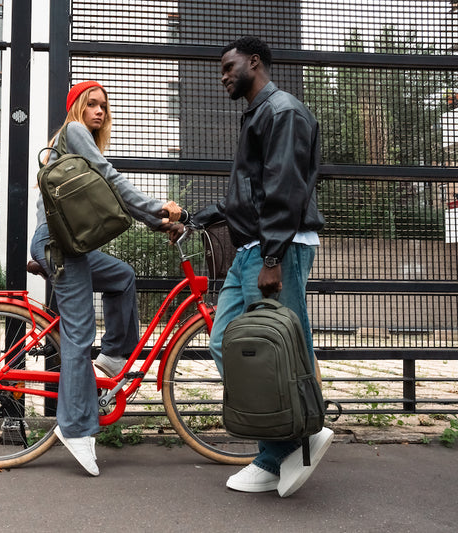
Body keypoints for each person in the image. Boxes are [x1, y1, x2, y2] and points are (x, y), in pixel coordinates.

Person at [189, 37, 333, 497]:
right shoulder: (259, 114)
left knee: (276, 350)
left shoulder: (283, 112)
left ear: (254, 62)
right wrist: (193, 219)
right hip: (253, 248)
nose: (223, 76)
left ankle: (280, 449)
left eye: (228, 66)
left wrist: (272, 256)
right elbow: (249, 194)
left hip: (275, 250)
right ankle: (294, 433)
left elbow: (284, 188)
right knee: (225, 342)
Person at [30, 80, 181, 476]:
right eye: (91, 104)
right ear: (77, 107)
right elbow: (113, 181)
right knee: (79, 336)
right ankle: (76, 428)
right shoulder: (75, 132)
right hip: (59, 246)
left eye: (103, 106)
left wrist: (155, 221)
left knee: (122, 276)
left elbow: (111, 201)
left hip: (69, 244)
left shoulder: (81, 143)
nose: (99, 112)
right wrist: (158, 210)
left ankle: (113, 359)